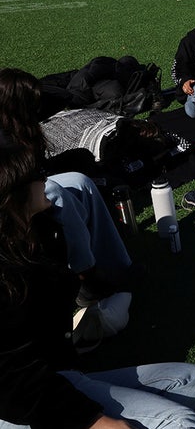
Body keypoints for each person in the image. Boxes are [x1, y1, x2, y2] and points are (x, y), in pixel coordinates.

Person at [0, 146, 195, 429]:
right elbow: (11, 382)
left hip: (55, 374)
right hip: (19, 403)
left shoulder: (35, 233)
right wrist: (95, 421)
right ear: (13, 195)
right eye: (38, 174)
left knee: (191, 382)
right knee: (184, 422)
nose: (48, 180)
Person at [0, 68, 134, 312]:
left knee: (81, 179)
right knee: (57, 194)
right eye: (32, 103)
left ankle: (118, 265)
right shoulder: (5, 142)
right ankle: (86, 276)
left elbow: (60, 99)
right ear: (16, 106)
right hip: (11, 197)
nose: (37, 108)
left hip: (33, 183)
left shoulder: (23, 127)